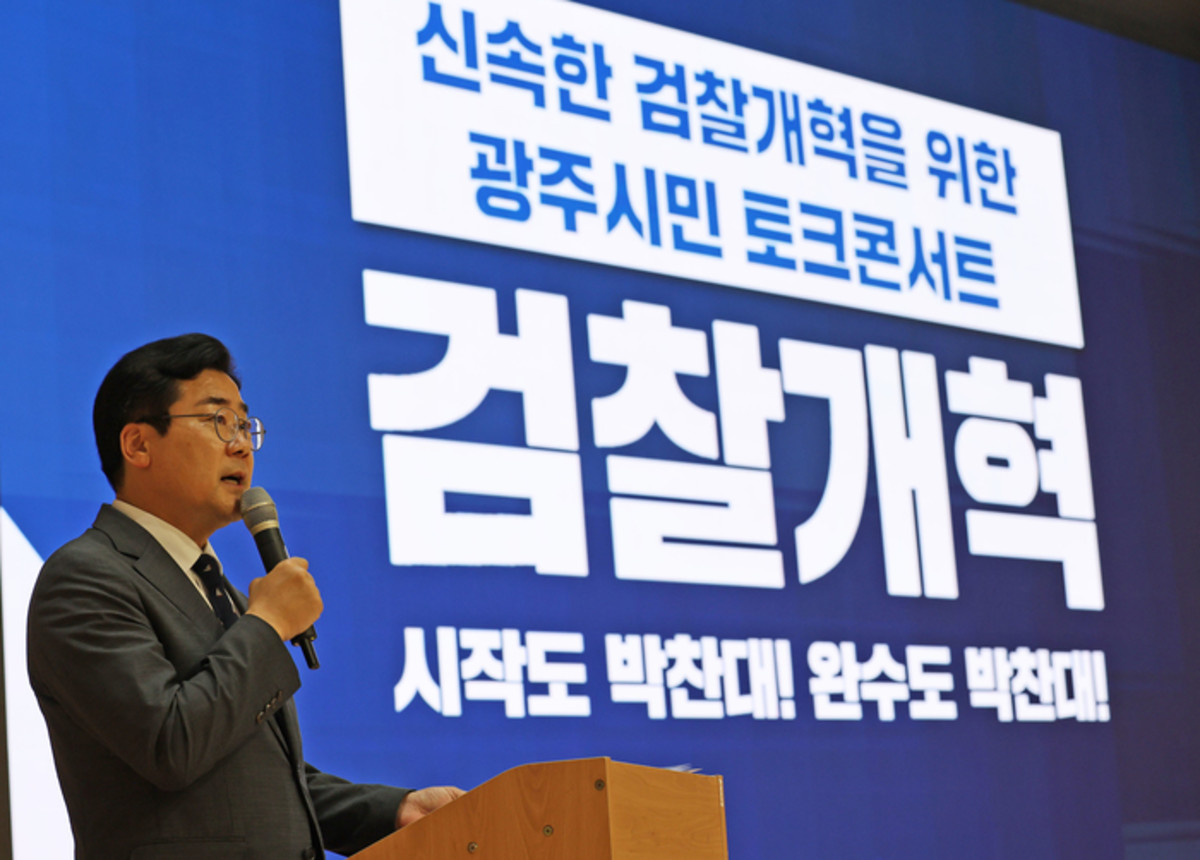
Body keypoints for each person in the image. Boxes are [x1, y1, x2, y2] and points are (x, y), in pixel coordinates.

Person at [27, 333, 462, 860]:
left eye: (244, 425)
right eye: (218, 421)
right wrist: (268, 624)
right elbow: (170, 743)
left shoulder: (219, 591)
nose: (241, 445)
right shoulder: (84, 577)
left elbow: (266, 788)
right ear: (138, 444)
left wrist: (398, 810)